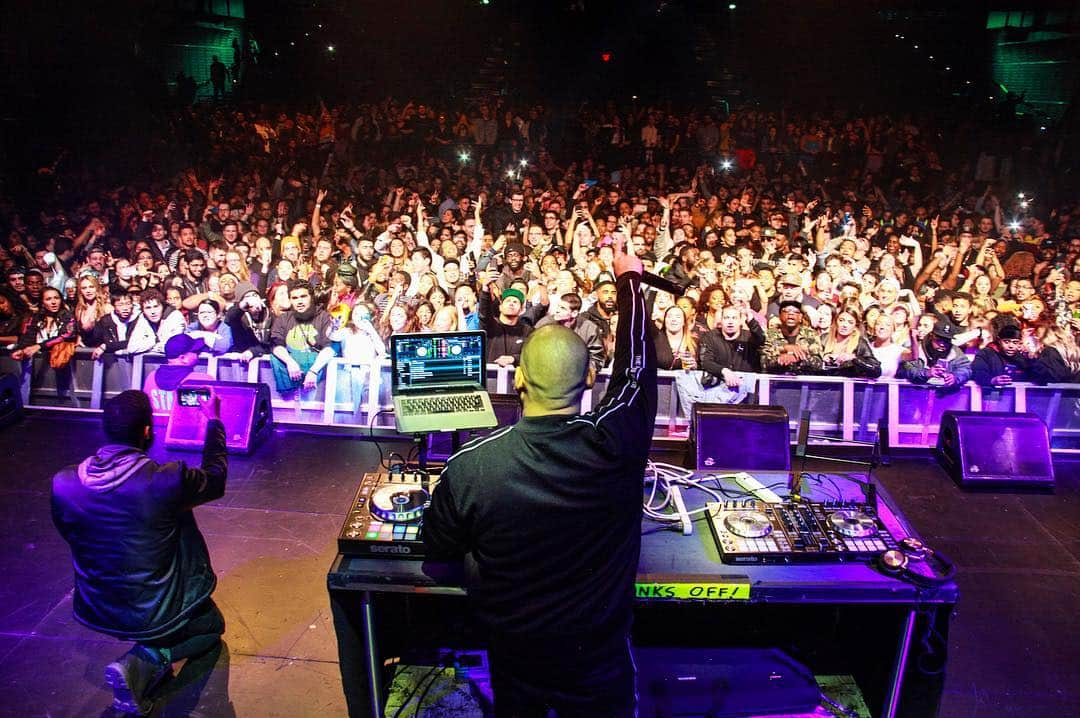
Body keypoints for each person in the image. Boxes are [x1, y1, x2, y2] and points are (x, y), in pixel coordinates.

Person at [424, 236, 656, 717]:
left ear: (520, 380)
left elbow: (438, 548)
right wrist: (629, 280)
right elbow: (636, 369)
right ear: (590, 379)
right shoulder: (616, 445)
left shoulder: (471, 465)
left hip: (516, 661)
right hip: (599, 663)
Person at [51, 389, 227, 716]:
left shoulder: (64, 482)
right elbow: (215, 479)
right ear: (148, 431)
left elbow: (68, 532)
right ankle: (146, 658)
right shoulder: (165, 479)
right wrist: (214, 422)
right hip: (157, 606)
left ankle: (146, 657)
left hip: (98, 604)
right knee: (211, 628)